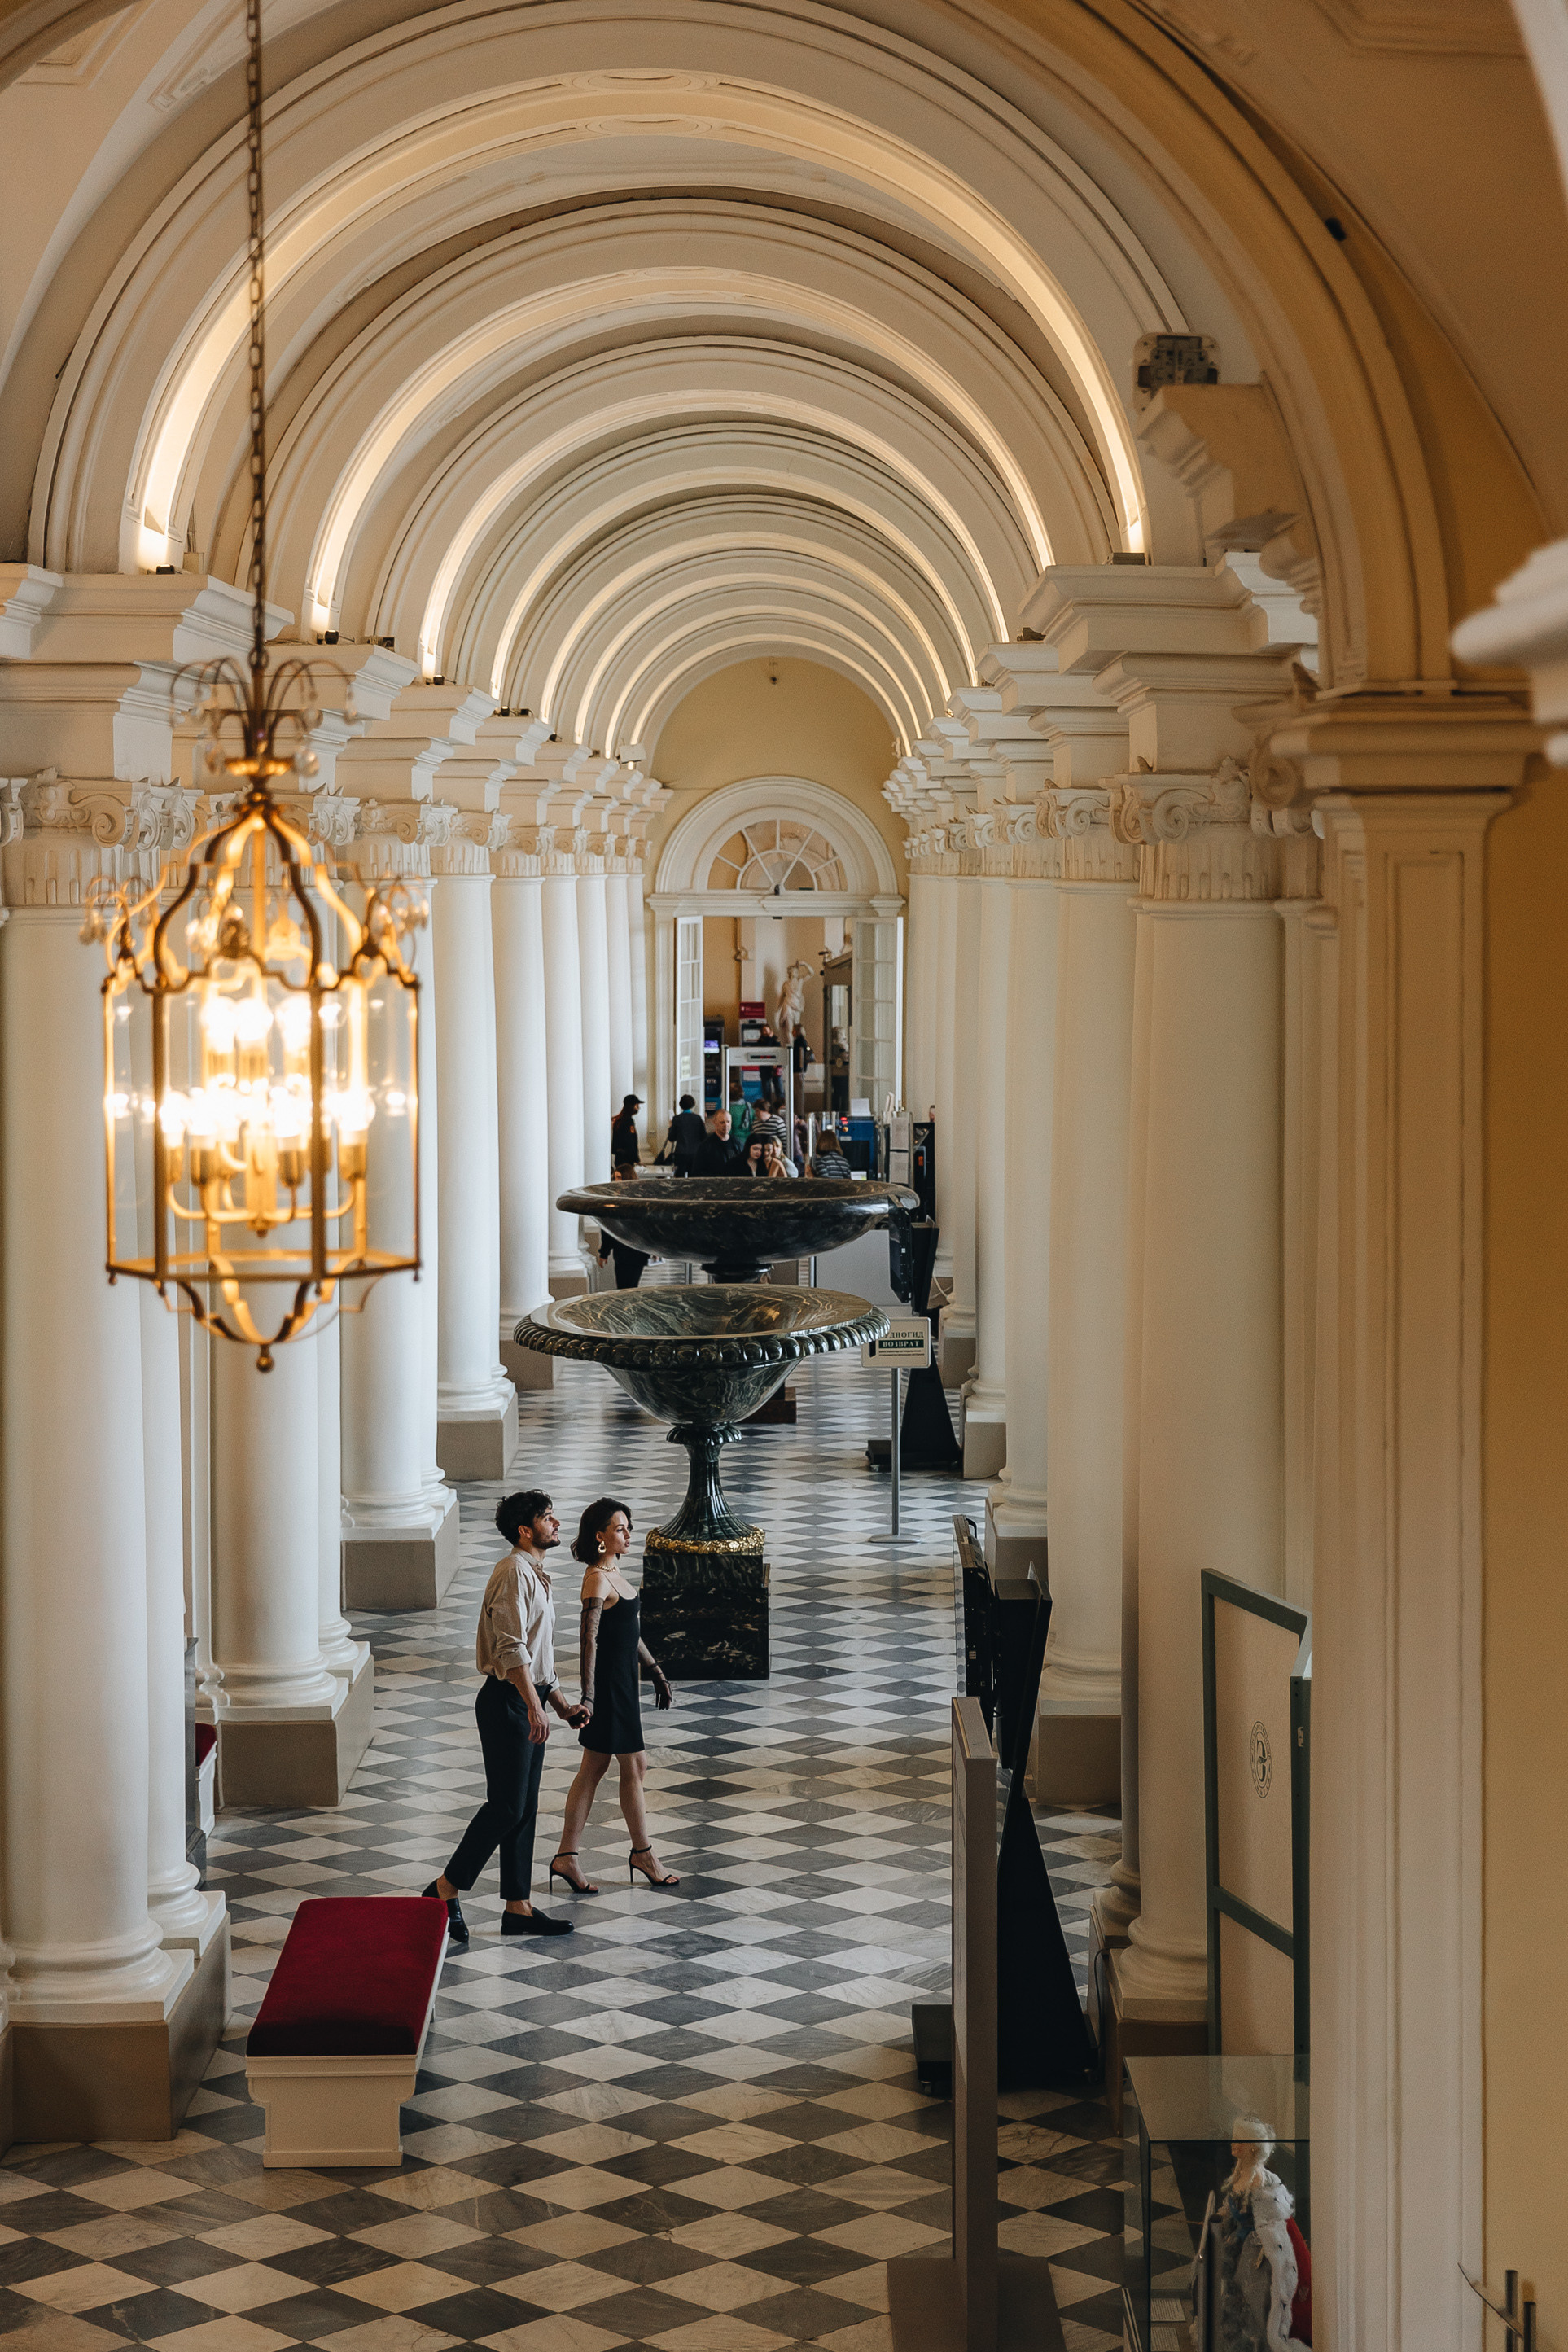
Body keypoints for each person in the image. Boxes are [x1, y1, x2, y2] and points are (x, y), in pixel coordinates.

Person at [423, 1491, 587, 1942]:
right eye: (547, 1518)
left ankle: (518, 1906)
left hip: (525, 1698)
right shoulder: (513, 1572)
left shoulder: (535, 1572)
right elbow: (510, 1648)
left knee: (525, 1808)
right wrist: (534, 1707)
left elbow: (538, 1659)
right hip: (506, 1702)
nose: (556, 1524)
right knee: (506, 1806)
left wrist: (561, 1706)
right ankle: (443, 1889)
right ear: (524, 1530)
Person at [549, 1499, 680, 1895]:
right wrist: (588, 1697)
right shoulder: (596, 1580)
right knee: (633, 1764)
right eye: (620, 1528)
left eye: (628, 1527)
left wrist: (654, 1670)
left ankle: (566, 1856)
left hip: (625, 1682)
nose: (628, 1534)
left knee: (595, 1767)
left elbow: (628, 1632)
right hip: (608, 1688)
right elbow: (588, 1639)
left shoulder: (614, 1572)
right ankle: (642, 1853)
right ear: (600, 1536)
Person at [597, 1163, 650, 1287]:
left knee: (631, 1285)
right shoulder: (614, 1201)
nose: (616, 1181)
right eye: (614, 1178)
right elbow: (608, 1228)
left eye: (619, 1177)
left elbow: (647, 1226)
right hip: (622, 1250)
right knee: (623, 1286)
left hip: (637, 1250)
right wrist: (604, 1253)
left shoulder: (639, 1200)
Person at [660, 1093, 707, 1176]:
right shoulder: (698, 1118)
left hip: (680, 1153)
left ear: (681, 1105)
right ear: (693, 1104)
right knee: (693, 1179)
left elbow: (671, 1138)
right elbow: (704, 1137)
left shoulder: (677, 1119)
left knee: (680, 1180)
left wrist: (671, 1127)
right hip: (695, 1153)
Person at [696, 1106, 743, 1173]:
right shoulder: (706, 1146)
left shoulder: (738, 1144)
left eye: (728, 1122)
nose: (726, 1125)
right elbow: (698, 1171)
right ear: (715, 1123)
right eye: (722, 1122)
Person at [611, 1093, 642, 1172]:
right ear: (631, 1106)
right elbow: (630, 1142)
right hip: (626, 1159)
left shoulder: (620, 1121)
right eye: (637, 1106)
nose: (638, 1108)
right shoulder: (628, 1121)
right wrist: (636, 1159)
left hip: (620, 1158)